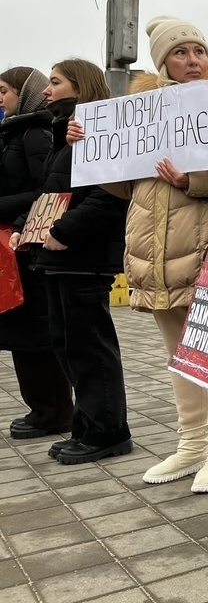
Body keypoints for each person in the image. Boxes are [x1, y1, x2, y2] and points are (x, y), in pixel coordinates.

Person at [93, 17, 208, 492]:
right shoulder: (139, 113)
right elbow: (126, 186)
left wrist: (194, 179)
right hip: (155, 253)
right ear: (162, 62)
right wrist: (91, 150)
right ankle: (192, 442)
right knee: (181, 354)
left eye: (199, 50)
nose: (193, 60)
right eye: (180, 52)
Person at [10, 60, 132, 463]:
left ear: (82, 86)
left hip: (84, 258)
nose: (47, 90)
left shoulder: (101, 133)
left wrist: (63, 232)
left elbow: (108, 198)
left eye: (56, 82)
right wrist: (26, 227)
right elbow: (51, 194)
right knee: (68, 346)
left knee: (90, 350)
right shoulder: (66, 136)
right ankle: (87, 426)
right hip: (59, 258)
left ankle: (107, 432)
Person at [0, 67, 73, 440]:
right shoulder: (14, 131)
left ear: (23, 92)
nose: (0, 98)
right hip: (15, 242)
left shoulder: (33, 134)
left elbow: (45, 190)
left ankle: (53, 412)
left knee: (35, 332)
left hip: (28, 243)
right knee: (21, 332)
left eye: (5, 90)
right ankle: (41, 409)